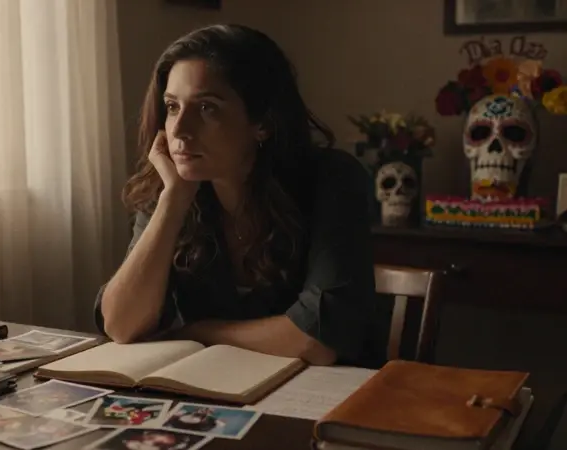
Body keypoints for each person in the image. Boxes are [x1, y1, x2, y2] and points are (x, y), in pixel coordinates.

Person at [94, 24, 383, 368]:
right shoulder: (175, 185)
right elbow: (121, 325)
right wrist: (173, 200)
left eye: (207, 108)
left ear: (262, 123)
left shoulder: (332, 178)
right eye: (172, 107)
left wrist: (199, 333)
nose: (180, 131)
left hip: (323, 403)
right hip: (216, 396)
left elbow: (317, 341)